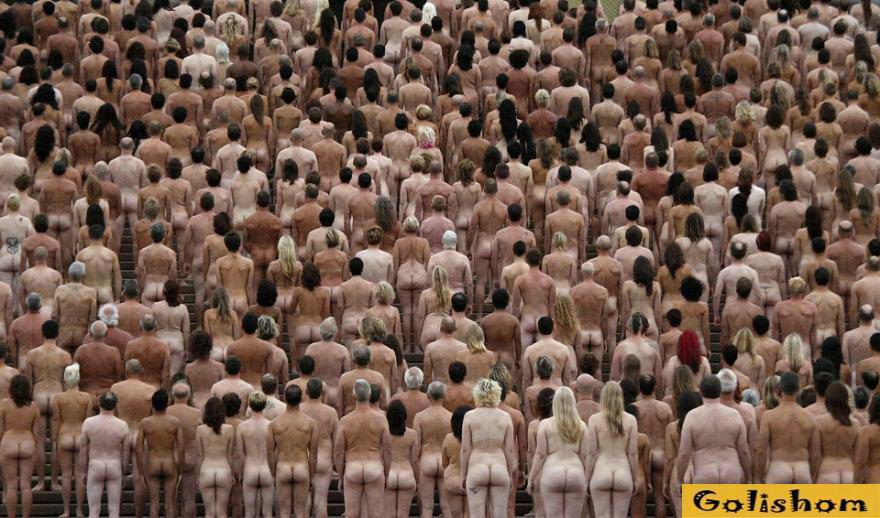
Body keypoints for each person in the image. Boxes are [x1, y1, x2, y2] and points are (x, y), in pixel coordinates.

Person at [677, 376, 751, 484]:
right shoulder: (734, 415)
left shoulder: (692, 416)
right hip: (731, 472)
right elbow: (744, 451)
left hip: (704, 474)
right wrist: (748, 478)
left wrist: (679, 480)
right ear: (720, 391)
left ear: (701, 392)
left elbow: (684, 453)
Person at [527, 387, 588, 518]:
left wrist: (531, 478)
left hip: (552, 473)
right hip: (575, 473)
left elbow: (540, 454)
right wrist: (590, 477)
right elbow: (584, 456)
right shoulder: (581, 425)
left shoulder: (545, 424)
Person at [460, 378, 516, 518]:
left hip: (477, 467)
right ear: (497, 394)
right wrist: (509, 473)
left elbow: (465, 449)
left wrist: (463, 474)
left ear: (477, 394)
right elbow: (509, 450)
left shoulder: (469, 416)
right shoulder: (506, 417)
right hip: (499, 467)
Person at [335, 379, 390, 518]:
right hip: (374, 466)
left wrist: (340, 476)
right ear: (370, 395)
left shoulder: (345, 421)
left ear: (354, 395)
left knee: (351, 514)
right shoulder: (381, 419)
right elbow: (387, 449)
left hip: (353, 467)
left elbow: (339, 451)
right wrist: (387, 473)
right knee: (375, 514)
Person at [584, 382, 638, 518]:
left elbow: (591, 453)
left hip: (601, 472)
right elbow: (632, 454)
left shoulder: (594, 420)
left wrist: (587, 479)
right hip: (623, 472)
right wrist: (635, 478)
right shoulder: (631, 420)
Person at [754, 372, 817, 483]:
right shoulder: (810, 417)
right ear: (798, 389)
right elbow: (815, 454)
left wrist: (759, 476)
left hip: (778, 468)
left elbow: (761, 451)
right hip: (802, 468)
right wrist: (810, 475)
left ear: (779, 389)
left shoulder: (769, 416)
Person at [80, 392, 131, 518]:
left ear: (99, 403)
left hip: (95, 465)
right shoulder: (122, 425)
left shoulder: (88, 423)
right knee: (114, 510)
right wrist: (124, 472)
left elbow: (83, 450)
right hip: (114, 465)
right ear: (115, 405)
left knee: (94, 511)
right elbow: (126, 452)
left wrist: (83, 472)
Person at [136, 388, 185, 518]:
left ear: (152, 404)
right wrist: (180, 471)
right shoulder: (175, 422)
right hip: (169, 462)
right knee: (170, 505)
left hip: (153, 463)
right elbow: (181, 448)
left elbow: (139, 448)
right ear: (167, 404)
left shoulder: (145, 423)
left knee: (154, 505)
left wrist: (140, 472)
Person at [51, 364, 92, 518]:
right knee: (80, 475)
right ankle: (79, 510)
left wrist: (54, 439)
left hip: (65, 435)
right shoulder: (86, 397)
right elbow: (88, 421)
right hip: (80, 435)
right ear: (78, 378)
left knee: (66, 475)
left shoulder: (58, 398)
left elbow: (56, 420)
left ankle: (66, 510)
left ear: (65, 379)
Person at [0, 374, 41, 518]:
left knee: (11, 486)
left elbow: (0, 429)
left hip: (9, 442)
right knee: (26, 486)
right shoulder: (34, 406)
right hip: (27, 443)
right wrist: (35, 448)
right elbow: (36, 432)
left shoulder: (3, 404)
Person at [413, 381, 452, 518]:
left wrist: (415, 464)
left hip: (426, 459)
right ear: (444, 395)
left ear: (428, 395)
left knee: (427, 506)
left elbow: (417, 444)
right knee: (446, 506)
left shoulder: (420, 417)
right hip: (444, 461)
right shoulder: (450, 416)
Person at [196, 397, 235, 518]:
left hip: (206, 471)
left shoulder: (200, 430)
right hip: (224, 470)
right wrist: (232, 474)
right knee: (222, 513)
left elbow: (200, 456)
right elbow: (230, 455)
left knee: (209, 513)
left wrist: (198, 475)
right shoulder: (229, 429)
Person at [237, 391, 274, 518]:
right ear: (264, 405)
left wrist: (240, 474)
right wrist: (274, 472)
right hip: (266, 469)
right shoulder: (271, 425)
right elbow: (272, 452)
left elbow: (240, 454)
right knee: (268, 512)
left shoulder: (242, 427)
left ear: (249, 405)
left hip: (250, 469)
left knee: (249, 512)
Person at [385, 400, 419, 518]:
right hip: (406, 474)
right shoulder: (413, 434)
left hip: (389, 474)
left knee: (389, 514)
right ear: (404, 416)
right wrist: (417, 480)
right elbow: (414, 460)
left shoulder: (384, 434)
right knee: (403, 515)